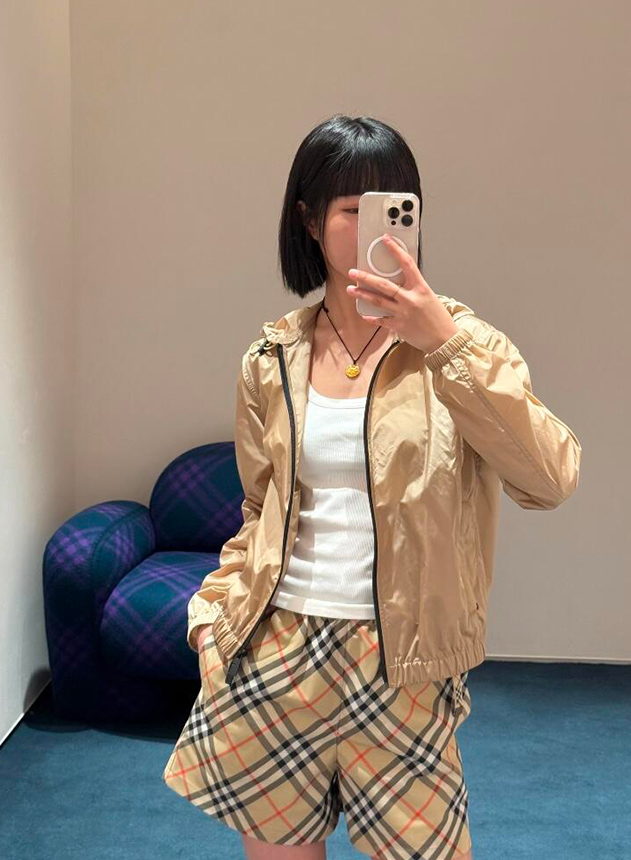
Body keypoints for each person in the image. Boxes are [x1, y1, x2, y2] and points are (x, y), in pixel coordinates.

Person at [163, 114, 582, 860]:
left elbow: (550, 478)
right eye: (351, 209)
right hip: (275, 650)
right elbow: (258, 510)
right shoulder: (271, 358)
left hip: (401, 664)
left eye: (393, 207)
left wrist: (443, 343)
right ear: (309, 219)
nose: (374, 228)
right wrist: (212, 621)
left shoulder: (462, 343)